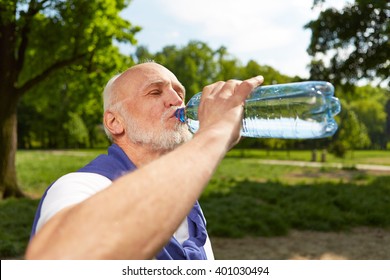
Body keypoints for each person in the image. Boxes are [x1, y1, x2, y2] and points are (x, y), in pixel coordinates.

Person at [25, 62, 264, 259]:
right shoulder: (79, 186)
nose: (176, 100)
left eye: (179, 92)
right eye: (155, 92)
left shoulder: (184, 198)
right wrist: (214, 135)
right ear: (114, 122)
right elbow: (57, 257)